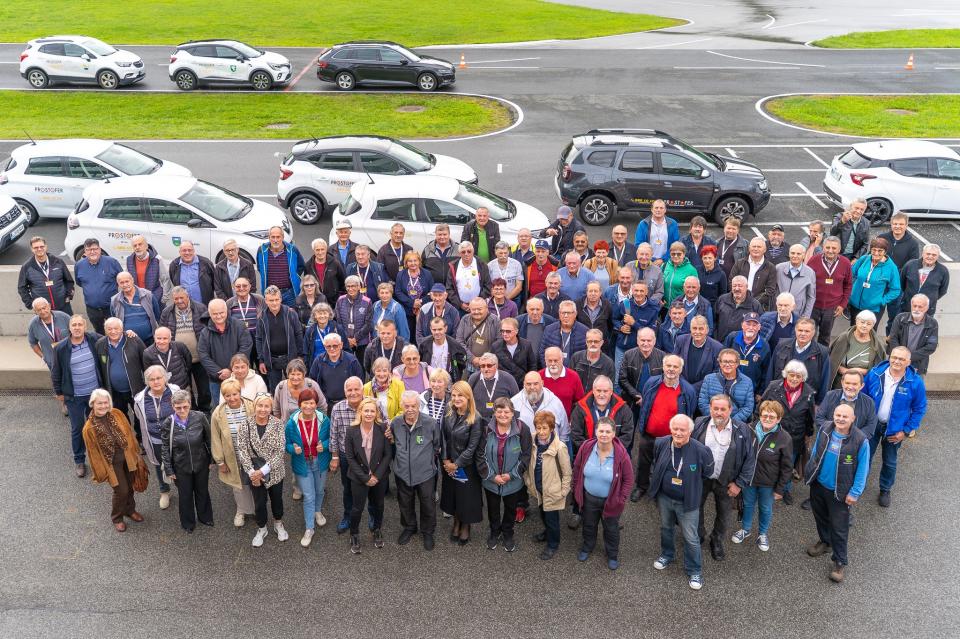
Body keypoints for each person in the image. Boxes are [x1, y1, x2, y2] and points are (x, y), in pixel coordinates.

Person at [804, 404, 870, 583]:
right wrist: (810, 472)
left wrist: (855, 493)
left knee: (839, 528)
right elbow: (815, 452)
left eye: (845, 416)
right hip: (819, 485)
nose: (840, 419)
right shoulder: (825, 429)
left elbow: (863, 469)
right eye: (838, 415)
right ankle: (825, 542)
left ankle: (839, 561)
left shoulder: (860, 440)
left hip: (840, 492)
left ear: (853, 419)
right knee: (820, 517)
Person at [650, 414, 714, 590]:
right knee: (666, 528)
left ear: (690, 432)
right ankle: (667, 555)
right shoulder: (661, 443)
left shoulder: (701, 450)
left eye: (682, 430)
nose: (678, 433)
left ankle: (695, 570)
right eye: (675, 429)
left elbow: (708, 472)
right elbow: (656, 463)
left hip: (688, 502)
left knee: (691, 537)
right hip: (664, 498)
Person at [692, 394, 755, 561]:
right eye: (715, 408)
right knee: (695, 507)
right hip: (701, 479)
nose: (719, 412)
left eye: (723, 409)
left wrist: (739, 484)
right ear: (710, 409)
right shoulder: (699, 423)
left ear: (730, 410)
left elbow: (750, 459)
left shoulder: (742, 429)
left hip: (727, 481)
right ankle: (699, 534)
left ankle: (717, 540)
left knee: (724, 514)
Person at [863, 347, 927, 507]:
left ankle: (885, 489)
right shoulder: (875, 373)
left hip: (895, 430)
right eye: (894, 357)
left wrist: (906, 431)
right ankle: (859, 484)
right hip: (872, 425)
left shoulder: (915, 382)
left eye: (901, 359)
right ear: (889, 357)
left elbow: (920, 408)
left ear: (908, 362)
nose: (897, 361)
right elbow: (863, 398)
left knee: (890, 461)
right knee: (865, 457)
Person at [571, 417, 633, 570]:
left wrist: (621, 499)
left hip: (611, 501)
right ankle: (587, 547)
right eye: (601, 431)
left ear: (614, 434)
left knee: (611, 529)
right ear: (595, 432)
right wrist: (575, 488)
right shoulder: (586, 447)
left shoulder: (621, 454)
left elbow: (629, 479)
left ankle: (612, 555)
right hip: (589, 498)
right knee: (588, 525)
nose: (604, 434)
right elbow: (577, 468)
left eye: (608, 431)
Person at [633, 355, 697, 501]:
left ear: (680, 369)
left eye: (675, 366)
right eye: (668, 365)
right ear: (663, 367)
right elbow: (645, 405)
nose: (671, 369)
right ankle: (641, 487)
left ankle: (659, 491)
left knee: (665, 466)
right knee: (643, 463)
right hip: (649, 434)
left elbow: (689, 412)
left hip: (671, 439)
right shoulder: (651, 383)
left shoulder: (688, 391)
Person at [732, 401, 792, 552]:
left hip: (768, 483)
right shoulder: (748, 429)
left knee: (765, 508)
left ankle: (762, 534)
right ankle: (745, 529)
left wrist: (780, 489)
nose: (767, 418)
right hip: (748, 479)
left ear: (779, 419)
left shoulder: (784, 438)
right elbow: (739, 455)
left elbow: (787, 467)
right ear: (760, 415)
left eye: (772, 416)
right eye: (765, 415)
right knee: (748, 505)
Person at [82, 389, 145, 532]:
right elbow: (93, 453)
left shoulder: (117, 413)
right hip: (111, 464)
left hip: (127, 458)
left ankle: (130, 510)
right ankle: (117, 518)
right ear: (92, 404)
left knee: (130, 486)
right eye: (99, 403)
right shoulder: (88, 428)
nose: (103, 406)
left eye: (106, 402)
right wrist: (100, 472)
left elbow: (129, 433)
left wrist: (135, 451)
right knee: (121, 491)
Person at [477, 398, 532, 553]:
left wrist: (511, 475)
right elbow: (480, 455)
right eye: (499, 411)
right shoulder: (486, 429)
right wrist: (491, 476)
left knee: (510, 508)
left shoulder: (522, 429)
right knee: (493, 508)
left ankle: (508, 533)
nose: (503, 415)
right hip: (491, 480)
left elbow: (526, 455)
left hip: (513, 481)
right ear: (494, 413)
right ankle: (494, 531)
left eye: (506, 411)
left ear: (512, 413)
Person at [759, 360, 817, 506]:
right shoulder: (773, 387)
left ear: (803, 378)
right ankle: (767, 485)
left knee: (788, 463)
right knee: (771, 460)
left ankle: (785, 489)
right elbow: (761, 407)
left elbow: (810, 417)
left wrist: (808, 434)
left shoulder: (809, 393)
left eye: (798, 376)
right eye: (792, 375)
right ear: (786, 374)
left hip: (795, 437)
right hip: (773, 433)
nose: (794, 379)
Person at [391, 391, 442, 550]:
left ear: (419, 405)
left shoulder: (431, 423)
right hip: (402, 473)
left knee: (428, 504)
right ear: (402, 406)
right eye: (407, 406)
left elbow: (437, 446)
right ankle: (409, 527)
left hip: (425, 474)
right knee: (405, 503)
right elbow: (393, 443)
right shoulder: (395, 423)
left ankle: (427, 532)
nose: (410, 409)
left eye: (413, 406)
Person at [330, 377, 382, 533]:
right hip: (348, 457)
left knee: (373, 489)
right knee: (348, 489)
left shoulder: (374, 404)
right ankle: (348, 516)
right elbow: (334, 435)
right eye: (349, 390)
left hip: (371, 456)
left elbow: (384, 425)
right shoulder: (338, 408)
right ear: (345, 391)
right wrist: (335, 457)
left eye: (356, 389)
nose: (353, 393)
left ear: (362, 390)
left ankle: (373, 516)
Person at [53, 315, 102, 477]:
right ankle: (79, 460)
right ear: (69, 328)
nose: (77, 327)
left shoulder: (94, 339)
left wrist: (127, 333)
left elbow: (113, 336)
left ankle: (99, 456)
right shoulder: (61, 348)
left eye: (80, 324)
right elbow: (56, 372)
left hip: (94, 395)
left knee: (97, 425)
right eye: (74, 325)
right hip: (74, 396)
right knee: (77, 428)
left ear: (85, 327)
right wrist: (59, 393)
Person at [236, 393, 288, 547]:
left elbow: (280, 450)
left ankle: (278, 523)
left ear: (271, 408)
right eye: (260, 405)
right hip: (254, 474)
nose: (263, 409)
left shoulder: (278, 424)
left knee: (277, 499)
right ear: (255, 406)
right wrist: (253, 473)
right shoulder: (245, 425)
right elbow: (242, 451)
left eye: (267, 406)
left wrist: (262, 471)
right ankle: (262, 528)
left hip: (275, 471)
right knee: (259, 502)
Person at [160, 390, 213, 533]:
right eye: (178, 407)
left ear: (190, 404)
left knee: (202, 491)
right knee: (185, 495)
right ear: (173, 406)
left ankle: (205, 517)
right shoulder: (168, 423)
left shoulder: (200, 417)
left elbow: (209, 439)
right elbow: (165, 448)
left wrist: (211, 459)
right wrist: (169, 470)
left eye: (185, 406)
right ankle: (188, 523)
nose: (182, 410)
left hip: (201, 462)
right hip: (180, 467)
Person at [344, 397, 393, 554]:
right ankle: (354, 534)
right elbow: (350, 458)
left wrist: (376, 476)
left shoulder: (383, 428)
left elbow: (387, 455)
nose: (369, 414)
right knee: (357, 508)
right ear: (360, 412)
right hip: (359, 477)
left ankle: (377, 529)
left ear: (376, 413)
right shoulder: (351, 431)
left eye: (372, 411)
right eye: (366, 410)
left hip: (379, 476)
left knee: (378, 505)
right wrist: (365, 478)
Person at [284, 388, 331, 547]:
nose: (309, 406)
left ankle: (317, 511)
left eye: (312, 403)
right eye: (305, 403)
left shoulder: (324, 420)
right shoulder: (292, 423)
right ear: (300, 404)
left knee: (320, 491)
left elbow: (331, 439)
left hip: (320, 461)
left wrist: (324, 445)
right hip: (302, 463)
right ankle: (309, 528)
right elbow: (286, 444)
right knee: (309, 496)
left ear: (316, 404)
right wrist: (292, 449)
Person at [441, 381, 484, 545]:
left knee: (466, 499)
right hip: (449, 463)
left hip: (466, 466)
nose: (456, 399)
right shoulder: (448, 412)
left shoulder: (476, 418)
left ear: (468, 397)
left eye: (460, 395)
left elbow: (472, 447)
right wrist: (446, 460)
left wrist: (456, 464)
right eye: (453, 395)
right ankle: (456, 523)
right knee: (453, 496)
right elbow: (443, 437)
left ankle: (466, 526)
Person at [524, 410, 572, 560]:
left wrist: (563, 491)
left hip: (553, 492)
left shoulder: (560, 447)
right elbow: (527, 463)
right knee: (543, 514)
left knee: (552, 520)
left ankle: (553, 544)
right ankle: (547, 533)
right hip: (538, 489)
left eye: (545, 428)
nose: (541, 432)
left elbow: (567, 472)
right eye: (538, 428)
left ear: (551, 428)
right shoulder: (532, 442)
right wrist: (528, 481)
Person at [210, 379, 256, 527]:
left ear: (240, 393)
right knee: (238, 484)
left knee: (254, 481)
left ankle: (257, 509)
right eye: (227, 395)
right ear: (223, 396)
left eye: (235, 394)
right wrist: (220, 461)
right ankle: (241, 510)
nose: (232, 398)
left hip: (252, 455)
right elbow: (215, 438)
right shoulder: (218, 413)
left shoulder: (251, 406)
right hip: (232, 455)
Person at [133, 365, 179, 510]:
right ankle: (164, 491)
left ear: (165, 378)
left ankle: (183, 488)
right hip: (155, 440)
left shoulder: (176, 392)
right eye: (152, 379)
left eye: (159, 378)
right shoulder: (140, 399)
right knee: (160, 466)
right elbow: (140, 417)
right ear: (147, 382)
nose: (156, 382)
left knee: (179, 464)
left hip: (176, 438)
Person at [160, 286, 211, 411]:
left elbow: (209, 329)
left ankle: (205, 410)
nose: (179, 301)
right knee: (185, 387)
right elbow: (162, 331)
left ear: (188, 297)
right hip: (179, 358)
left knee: (204, 388)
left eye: (181, 298)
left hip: (199, 357)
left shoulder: (200, 308)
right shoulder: (167, 312)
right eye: (176, 299)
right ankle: (192, 411)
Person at [95, 318, 147, 439]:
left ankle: (140, 438)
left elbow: (146, 360)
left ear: (122, 329)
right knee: (120, 418)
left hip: (135, 389)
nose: (113, 331)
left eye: (116, 328)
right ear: (105, 330)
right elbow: (99, 368)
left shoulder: (133, 340)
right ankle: (127, 440)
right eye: (109, 329)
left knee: (140, 416)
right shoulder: (100, 344)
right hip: (114, 391)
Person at [198, 298, 252, 404]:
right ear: (209, 314)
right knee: (220, 407)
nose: (219, 316)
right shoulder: (205, 332)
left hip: (238, 377)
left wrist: (231, 370)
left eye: (221, 313)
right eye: (215, 314)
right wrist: (218, 372)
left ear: (226, 311)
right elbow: (203, 355)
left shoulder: (239, 326)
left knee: (242, 406)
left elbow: (245, 347)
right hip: (216, 380)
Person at [766, 317, 831, 403]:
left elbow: (824, 381)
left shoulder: (822, 352)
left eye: (807, 331)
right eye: (800, 330)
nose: (803, 334)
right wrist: (768, 396)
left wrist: (819, 403)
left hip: (805, 402)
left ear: (813, 333)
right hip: (779, 398)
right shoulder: (781, 346)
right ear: (795, 330)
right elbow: (770, 372)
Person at [27, 298, 72, 413]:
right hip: (52, 360)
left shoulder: (63, 316)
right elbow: (33, 343)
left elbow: (76, 331)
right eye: (39, 310)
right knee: (59, 381)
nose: (43, 311)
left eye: (44, 307)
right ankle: (64, 403)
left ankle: (78, 400)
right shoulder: (33, 324)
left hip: (70, 356)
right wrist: (43, 356)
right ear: (35, 312)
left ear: (49, 306)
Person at [255, 285, 304, 391]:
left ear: (281, 299)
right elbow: (259, 339)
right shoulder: (261, 317)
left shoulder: (290, 313)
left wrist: (300, 356)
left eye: (277, 299)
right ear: (266, 301)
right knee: (275, 389)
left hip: (290, 357)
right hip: (271, 360)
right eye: (271, 300)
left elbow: (298, 334)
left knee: (295, 388)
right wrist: (261, 360)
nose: (274, 303)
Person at [808, 236, 853, 346]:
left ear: (839, 249)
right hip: (813, 305)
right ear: (823, 247)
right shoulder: (813, 260)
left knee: (825, 335)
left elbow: (848, 285)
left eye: (834, 248)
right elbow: (806, 283)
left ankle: (822, 354)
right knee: (809, 333)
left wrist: (843, 305)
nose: (830, 251)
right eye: (827, 247)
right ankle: (809, 353)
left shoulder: (846, 263)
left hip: (832, 307)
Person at [848, 237, 901, 328]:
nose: (876, 253)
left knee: (869, 332)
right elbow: (851, 274)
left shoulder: (891, 267)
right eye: (874, 250)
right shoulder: (864, 259)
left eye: (880, 251)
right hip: (855, 305)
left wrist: (881, 300)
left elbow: (895, 290)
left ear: (885, 252)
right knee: (854, 329)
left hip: (873, 308)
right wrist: (852, 291)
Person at [512, 371, 570, 453]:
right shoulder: (514, 402)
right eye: (528, 384)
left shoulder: (555, 402)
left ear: (542, 383)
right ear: (524, 384)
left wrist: (559, 452)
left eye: (536, 384)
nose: (532, 387)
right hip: (524, 453)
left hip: (551, 453)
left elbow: (564, 432)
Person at [74, 238, 122, 334]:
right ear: (85, 251)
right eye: (89, 249)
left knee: (115, 331)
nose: (92, 252)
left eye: (95, 249)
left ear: (100, 249)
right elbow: (79, 282)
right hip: (92, 309)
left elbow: (121, 279)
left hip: (112, 307)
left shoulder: (112, 262)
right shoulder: (79, 265)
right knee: (99, 333)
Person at [618, 327, 665, 425]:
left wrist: (649, 399)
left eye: (649, 340)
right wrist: (637, 396)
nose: (645, 343)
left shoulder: (662, 356)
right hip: (632, 400)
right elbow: (622, 379)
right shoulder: (628, 355)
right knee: (630, 427)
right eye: (643, 340)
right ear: (637, 341)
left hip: (654, 402)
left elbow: (665, 381)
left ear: (654, 341)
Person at [828, 310, 886, 389]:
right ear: (856, 321)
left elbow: (880, 367)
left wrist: (862, 371)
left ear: (873, 325)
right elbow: (832, 360)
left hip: (865, 381)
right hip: (841, 379)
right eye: (862, 322)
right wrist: (843, 370)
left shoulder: (877, 344)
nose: (864, 326)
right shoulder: (844, 338)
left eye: (868, 324)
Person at [18, 235, 74, 315]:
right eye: (36, 247)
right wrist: (31, 304)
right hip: (42, 310)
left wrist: (68, 296)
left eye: (41, 246)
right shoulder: (27, 267)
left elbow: (69, 281)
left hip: (63, 306)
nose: (39, 249)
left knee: (68, 323)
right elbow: (22, 288)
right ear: (32, 249)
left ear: (46, 246)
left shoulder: (58, 262)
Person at [816, 370, 878, 439]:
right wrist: (834, 435)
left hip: (855, 443)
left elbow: (870, 426)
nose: (850, 387)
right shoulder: (830, 396)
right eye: (847, 383)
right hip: (829, 439)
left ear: (861, 386)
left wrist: (852, 439)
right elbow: (820, 418)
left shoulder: (869, 402)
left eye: (854, 384)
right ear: (842, 383)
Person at [888, 294, 939, 377]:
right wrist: (900, 357)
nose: (916, 309)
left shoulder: (932, 323)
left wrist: (907, 357)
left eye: (920, 307)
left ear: (926, 308)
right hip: (897, 362)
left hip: (918, 365)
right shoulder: (900, 318)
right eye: (914, 306)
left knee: (916, 385)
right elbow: (893, 338)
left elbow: (931, 346)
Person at [613, 282, 659, 373]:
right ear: (632, 291)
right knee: (618, 376)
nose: (638, 293)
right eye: (636, 290)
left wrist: (634, 323)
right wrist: (620, 327)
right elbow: (614, 319)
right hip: (623, 348)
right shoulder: (625, 304)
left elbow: (651, 333)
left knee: (636, 377)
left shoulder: (653, 308)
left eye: (641, 291)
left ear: (646, 292)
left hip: (642, 350)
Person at [698, 349, 754, 422]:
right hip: (713, 421)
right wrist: (716, 418)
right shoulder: (709, 379)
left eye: (731, 362)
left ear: (737, 364)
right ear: (720, 363)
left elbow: (748, 407)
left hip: (736, 424)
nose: (727, 365)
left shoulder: (747, 381)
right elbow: (703, 403)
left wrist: (732, 422)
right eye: (724, 361)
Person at [255, 226, 304, 307]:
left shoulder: (292, 249)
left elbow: (301, 266)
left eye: (278, 237)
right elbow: (260, 268)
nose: (275, 240)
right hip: (270, 293)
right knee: (272, 314)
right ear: (269, 237)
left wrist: (294, 275)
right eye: (273, 237)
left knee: (290, 314)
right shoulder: (261, 250)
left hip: (289, 294)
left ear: (283, 237)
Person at [310, 334, 364, 406]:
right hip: (325, 404)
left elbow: (360, 381)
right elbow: (313, 382)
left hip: (348, 404)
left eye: (335, 346)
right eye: (328, 346)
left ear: (341, 345)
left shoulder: (352, 361)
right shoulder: (318, 361)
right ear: (325, 347)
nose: (332, 349)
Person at [723, 312, 771, 393]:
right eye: (748, 324)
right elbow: (721, 360)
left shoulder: (764, 345)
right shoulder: (732, 338)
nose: (751, 328)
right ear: (742, 325)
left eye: (754, 325)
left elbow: (766, 372)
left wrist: (760, 392)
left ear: (759, 327)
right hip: (728, 387)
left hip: (751, 391)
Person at [674, 316, 722, 394]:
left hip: (703, 391)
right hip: (681, 388)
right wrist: (685, 385)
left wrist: (692, 388)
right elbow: (674, 363)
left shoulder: (717, 347)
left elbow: (716, 373)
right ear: (690, 329)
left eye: (701, 329)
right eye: (694, 328)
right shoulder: (681, 340)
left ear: (707, 330)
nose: (697, 332)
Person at [110, 272, 161, 346]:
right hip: (128, 342)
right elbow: (115, 321)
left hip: (150, 340)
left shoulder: (148, 295)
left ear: (132, 280)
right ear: (118, 284)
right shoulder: (115, 300)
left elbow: (158, 317)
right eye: (122, 282)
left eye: (127, 281)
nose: (125, 285)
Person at [469, 352, 520, 423]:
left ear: (496, 366)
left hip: (502, 422)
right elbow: (468, 399)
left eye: (489, 366)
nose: (486, 369)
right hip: (478, 422)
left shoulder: (508, 378)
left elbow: (517, 402)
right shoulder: (473, 378)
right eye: (482, 366)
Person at [900, 244, 950, 316]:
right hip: (907, 307)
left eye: (934, 255)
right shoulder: (910, 265)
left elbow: (943, 291)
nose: (930, 256)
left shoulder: (943, 271)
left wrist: (929, 299)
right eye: (928, 254)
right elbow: (902, 283)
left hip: (928, 311)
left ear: (938, 256)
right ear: (923, 253)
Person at [731, 237, 778, 312]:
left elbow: (770, 290)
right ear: (749, 248)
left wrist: (753, 302)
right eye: (754, 246)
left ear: (765, 250)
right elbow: (731, 281)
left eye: (759, 247)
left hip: (757, 307)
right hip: (737, 303)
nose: (756, 249)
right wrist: (740, 298)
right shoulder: (739, 263)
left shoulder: (771, 268)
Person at [273, 358, 326, 424]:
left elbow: (322, 407)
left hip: (311, 426)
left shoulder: (312, 385)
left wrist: (320, 424)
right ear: (288, 374)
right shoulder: (281, 387)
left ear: (304, 374)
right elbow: (276, 410)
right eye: (292, 374)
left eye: (298, 374)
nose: (295, 378)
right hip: (288, 427)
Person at [456, 297, 500, 375]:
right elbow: (459, 341)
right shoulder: (465, 320)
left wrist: (487, 359)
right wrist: (472, 358)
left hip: (490, 364)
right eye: (473, 309)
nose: (476, 312)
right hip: (470, 363)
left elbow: (499, 341)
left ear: (486, 308)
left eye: (479, 309)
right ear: (469, 309)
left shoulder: (495, 320)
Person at [334, 275, 373, 361]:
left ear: (359, 287)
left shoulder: (367, 301)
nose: (350, 289)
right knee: (346, 365)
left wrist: (355, 338)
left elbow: (368, 324)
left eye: (353, 286)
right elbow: (338, 322)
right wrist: (346, 338)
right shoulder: (340, 300)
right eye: (348, 286)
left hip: (362, 341)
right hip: (345, 340)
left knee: (361, 366)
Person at [539, 347, 585, 419]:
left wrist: (574, 419)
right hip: (543, 423)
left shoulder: (573, 376)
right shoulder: (538, 377)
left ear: (562, 359)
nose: (553, 364)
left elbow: (580, 402)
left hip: (567, 422)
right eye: (550, 361)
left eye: (556, 361)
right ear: (545, 360)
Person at [127, 235, 172, 307]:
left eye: (140, 244)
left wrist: (164, 298)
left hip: (155, 299)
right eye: (135, 245)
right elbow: (127, 280)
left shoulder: (157, 259)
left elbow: (166, 279)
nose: (137, 247)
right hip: (138, 300)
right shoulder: (129, 260)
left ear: (146, 246)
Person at [419, 316, 467, 382]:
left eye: (440, 329)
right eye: (434, 330)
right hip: (429, 380)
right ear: (430, 329)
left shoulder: (455, 345)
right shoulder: (424, 344)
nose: (437, 332)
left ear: (445, 328)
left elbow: (462, 364)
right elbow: (420, 362)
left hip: (449, 381)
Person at [714, 276, 763, 342]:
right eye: (734, 286)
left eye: (740, 286)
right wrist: (715, 338)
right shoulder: (722, 300)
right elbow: (714, 320)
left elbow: (759, 327)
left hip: (741, 345)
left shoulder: (755, 305)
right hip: (721, 343)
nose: (737, 289)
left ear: (746, 287)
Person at [492, 317, 536, 389]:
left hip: (522, 385)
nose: (504, 334)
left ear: (516, 331)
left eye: (508, 331)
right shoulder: (496, 346)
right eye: (502, 331)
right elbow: (493, 367)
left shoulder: (526, 345)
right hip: (503, 385)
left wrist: (529, 381)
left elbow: (532, 365)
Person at [168, 241, 216, 305]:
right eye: (184, 250)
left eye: (189, 250)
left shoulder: (206, 263)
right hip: (184, 305)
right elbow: (174, 281)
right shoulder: (174, 265)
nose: (187, 253)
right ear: (179, 252)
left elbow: (214, 281)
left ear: (194, 251)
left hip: (204, 304)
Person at [776, 244, 817, 319]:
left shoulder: (810, 273)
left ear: (803, 256)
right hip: (779, 312)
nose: (795, 256)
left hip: (798, 314)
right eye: (792, 253)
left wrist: (806, 316)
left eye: (798, 254)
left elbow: (811, 297)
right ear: (789, 254)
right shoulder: (779, 268)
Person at [633, 199, 680, 265]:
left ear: (665, 210)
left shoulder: (673, 224)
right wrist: (650, 259)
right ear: (652, 209)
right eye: (656, 208)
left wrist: (663, 259)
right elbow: (638, 244)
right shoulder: (643, 224)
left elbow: (675, 245)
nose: (658, 210)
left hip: (667, 262)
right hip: (647, 261)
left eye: (661, 208)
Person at [395, 251, 433, 332]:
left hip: (423, 309)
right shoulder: (401, 274)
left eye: (415, 260)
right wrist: (412, 303)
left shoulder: (427, 274)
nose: (413, 263)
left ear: (419, 261)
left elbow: (431, 292)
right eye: (410, 261)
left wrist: (420, 302)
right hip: (407, 310)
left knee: (422, 332)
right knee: (408, 332)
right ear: (406, 263)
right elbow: (398, 292)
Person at [304, 239, 345, 307]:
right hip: (316, 302)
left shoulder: (335, 263)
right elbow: (307, 284)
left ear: (326, 249)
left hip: (334, 302)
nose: (320, 252)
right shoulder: (308, 266)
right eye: (317, 250)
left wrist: (340, 299)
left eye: (322, 249)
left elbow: (343, 282)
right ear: (313, 250)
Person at [517, 297, 556, 361]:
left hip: (543, 361)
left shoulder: (551, 322)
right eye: (532, 309)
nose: (535, 312)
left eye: (538, 309)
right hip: (524, 361)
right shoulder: (518, 321)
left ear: (542, 309)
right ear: (527, 309)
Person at [422, 223, 460, 288]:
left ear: (449, 234)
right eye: (439, 234)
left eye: (445, 234)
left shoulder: (458, 249)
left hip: (453, 289)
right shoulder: (427, 249)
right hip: (433, 289)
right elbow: (422, 269)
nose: (442, 237)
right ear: (436, 235)